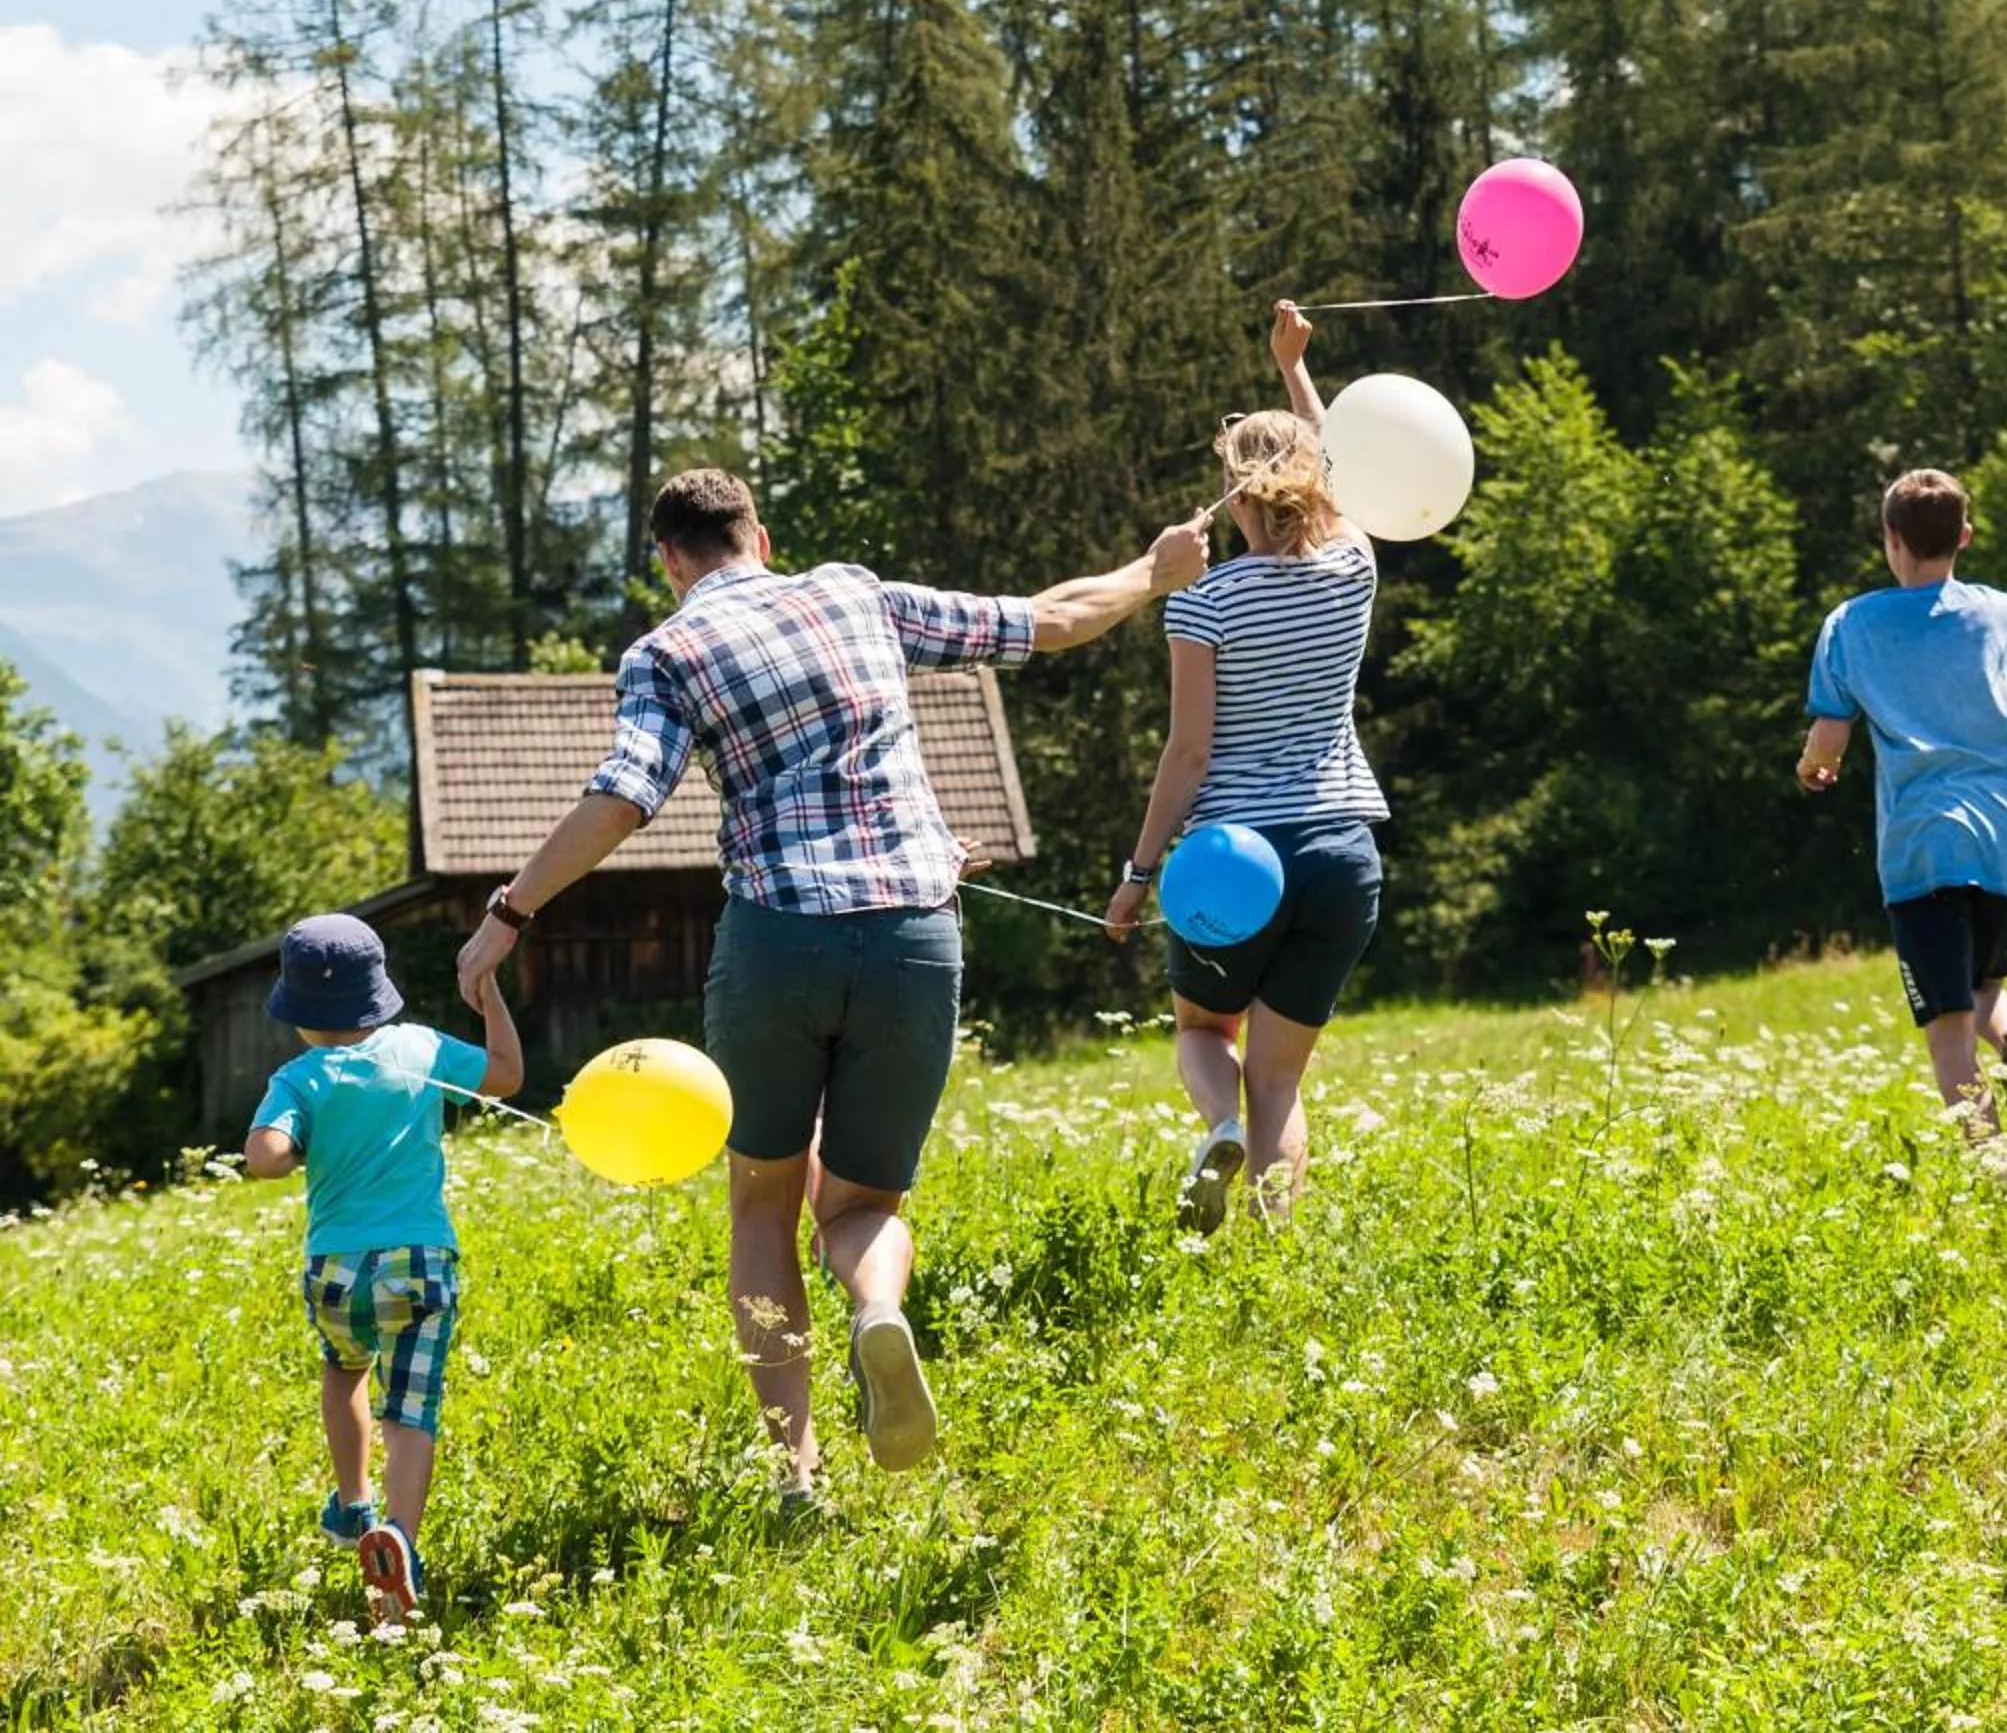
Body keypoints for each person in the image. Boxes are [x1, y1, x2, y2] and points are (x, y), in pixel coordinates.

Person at [454, 470, 1207, 1498]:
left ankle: (795, 1471)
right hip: (912, 938)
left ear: (671, 562)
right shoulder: (856, 591)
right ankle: (878, 1311)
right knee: (861, 1201)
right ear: (761, 533)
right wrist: (1149, 574)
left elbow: (623, 796)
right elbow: (1043, 620)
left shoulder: (666, 651)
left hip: (779, 945)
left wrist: (508, 913)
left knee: (762, 1206)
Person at [1104, 302, 1388, 1235]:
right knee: (1283, 1075)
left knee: (1201, 1032)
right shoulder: (1353, 567)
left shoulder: (1203, 604)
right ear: (1311, 482)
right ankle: (1273, 1257)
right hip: (1340, 850)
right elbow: (1345, 487)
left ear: (1234, 492)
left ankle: (1219, 1124)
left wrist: (1138, 877)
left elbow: (1187, 755)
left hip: (1232, 852)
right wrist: (1293, 368)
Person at [1797, 469, 2007, 1142]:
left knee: (1947, 1029)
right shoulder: (2006, 616)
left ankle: (1993, 1169)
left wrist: (1812, 771)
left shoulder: (1851, 624)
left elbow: (1828, 742)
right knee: (1982, 990)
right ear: (1965, 537)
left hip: (1922, 846)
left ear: (1891, 538)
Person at [243, 913, 524, 1625]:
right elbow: (508, 1077)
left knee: (344, 1370)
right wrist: (489, 997)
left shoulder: (298, 1076)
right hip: (421, 1262)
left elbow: (264, 1157)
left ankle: (351, 1503)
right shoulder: (419, 1048)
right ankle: (397, 1533)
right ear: (380, 993)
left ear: (299, 1012)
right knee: (413, 1412)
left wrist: (295, 1142)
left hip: (336, 1269)